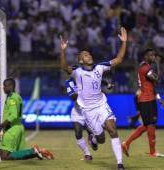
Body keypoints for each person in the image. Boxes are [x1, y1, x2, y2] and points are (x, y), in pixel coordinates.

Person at [60, 27, 127, 170]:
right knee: (101, 139)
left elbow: (119, 59)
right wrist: (63, 51)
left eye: (89, 54)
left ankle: (120, 164)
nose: (88, 56)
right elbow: (64, 67)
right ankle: (94, 138)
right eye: (85, 55)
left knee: (113, 131)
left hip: (102, 105)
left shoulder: (100, 67)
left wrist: (124, 42)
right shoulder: (77, 72)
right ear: (80, 60)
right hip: (87, 111)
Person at [0, 78, 54, 160]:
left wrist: (1, 125)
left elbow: (13, 115)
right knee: (19, 154)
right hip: (19, 127)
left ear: (11, 86)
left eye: (5, 86)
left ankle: (33, 151)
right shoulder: (17, 96)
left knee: (4, 156)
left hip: (12, 129)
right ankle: (41, 151)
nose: (3, 88)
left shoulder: (12, 98)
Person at [122, 49, 164, 158]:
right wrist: (158, 64)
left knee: (147, 126)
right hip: (146, 100)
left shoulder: (144, 67)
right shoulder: (145, 68)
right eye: (151, 55)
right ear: (145, 56)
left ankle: (126, 143)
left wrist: (158, 98)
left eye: (154, 55)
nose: (153, 57)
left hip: (148, 99)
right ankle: (152, 152)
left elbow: (151, 86)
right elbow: (157, 79)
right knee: (150, 125)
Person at [65, 76, 114, 160]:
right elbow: (73, 97)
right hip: (77, 112)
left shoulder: (85, 77)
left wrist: (107, 84)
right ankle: (87, 154)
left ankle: (93, 139)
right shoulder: (69, 82)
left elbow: (97, 78)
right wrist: (86, 94)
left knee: (99, 139)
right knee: (78, 133)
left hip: (89, 112)